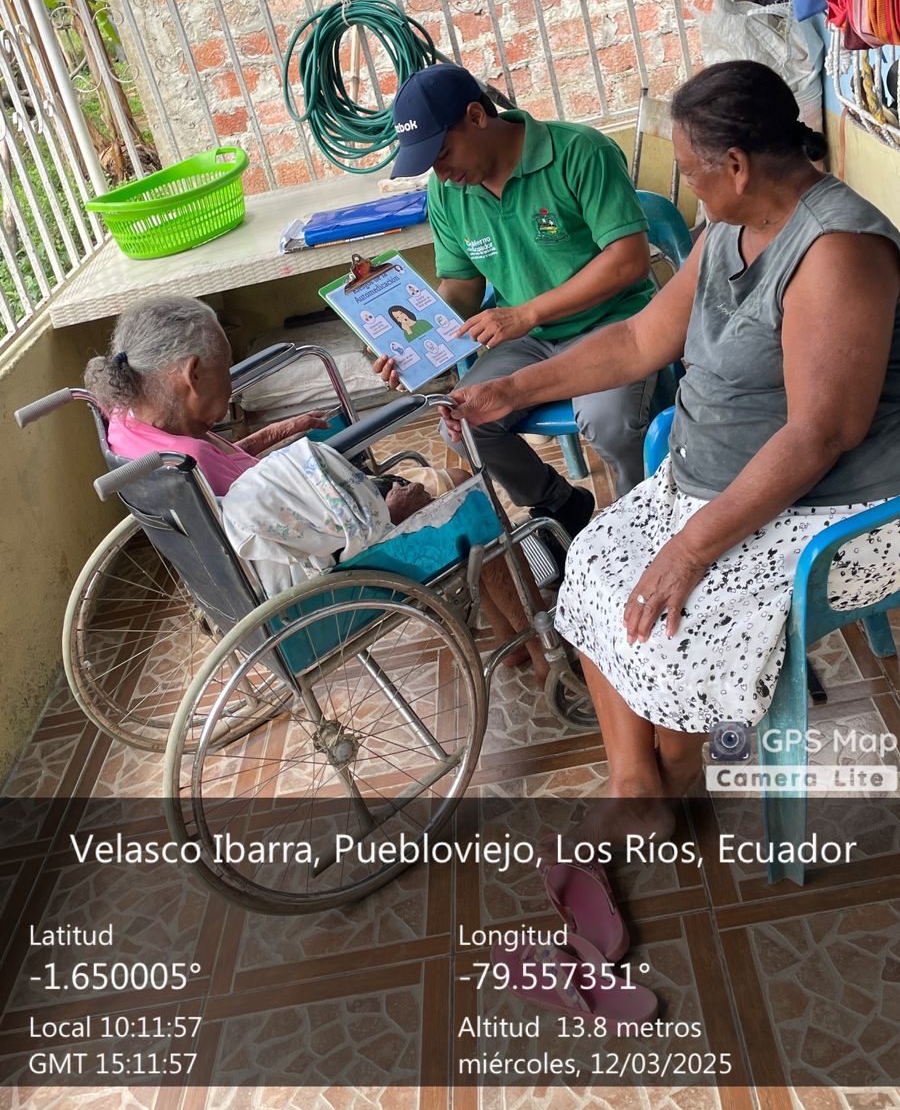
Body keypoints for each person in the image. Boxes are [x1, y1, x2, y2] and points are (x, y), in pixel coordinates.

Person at [446, 62, 900, 845]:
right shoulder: (728, 228)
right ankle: (638, 785)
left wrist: (691, 548)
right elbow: (637, 339)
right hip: (712, 480)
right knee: (593, 567)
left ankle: (678, 772)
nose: (686, 186)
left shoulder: (837, 250)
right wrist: (511, 390)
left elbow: (821, 434)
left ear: (737, 166)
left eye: (690, 170)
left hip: (831, 504)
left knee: (675, 619)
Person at [86, 295, 551, 678]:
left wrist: (273, 433)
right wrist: (390, 511)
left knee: (439, 491)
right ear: (192, 374)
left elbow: (224, 471)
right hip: (314, 587)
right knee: (462, 490)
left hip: (244, 592)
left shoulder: (131, 429)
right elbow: (302, 539)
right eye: (226, 368)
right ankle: (543, 648)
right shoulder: (194, 461)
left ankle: (511, 640)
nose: (230, 384)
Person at [374, 64, 656, 539]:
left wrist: (528, 313)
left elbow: (629, 261)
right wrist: (412, 346)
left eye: (442, 153)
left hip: (613, 324)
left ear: (476, 116)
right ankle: (560, 504)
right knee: (462, 422)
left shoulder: (579, 152)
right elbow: (461, 286)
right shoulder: (449, 191)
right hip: (530, 341)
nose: (442, 173)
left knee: (608, 421)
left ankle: (645, 522)